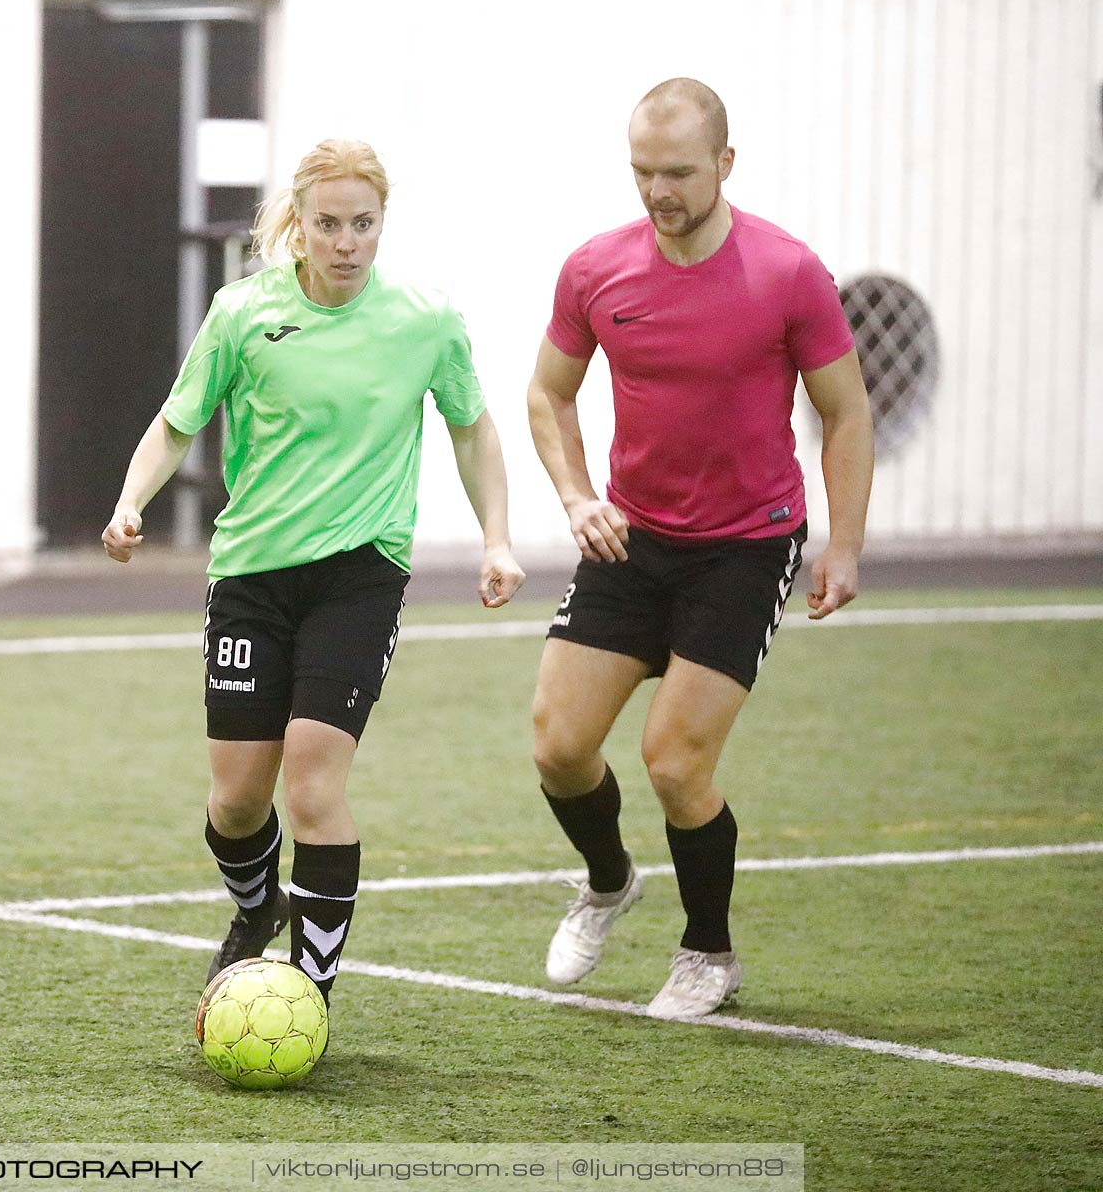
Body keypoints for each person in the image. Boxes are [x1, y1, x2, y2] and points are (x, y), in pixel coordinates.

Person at [102, 138, 526, 1009]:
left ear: (381, 224)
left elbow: (473, 427)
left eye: (362, 225)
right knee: (235, 802)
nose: (345, 243)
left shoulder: (426, 319)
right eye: (328, 224)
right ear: (299, 223)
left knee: (313, 778)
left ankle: (312, 992)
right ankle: (255, 911)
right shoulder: (242, 314)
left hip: (361, 572)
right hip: (253, 575)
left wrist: (497, 538)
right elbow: (177, 421)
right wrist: (130, 500)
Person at [523, 79, 874, 1019]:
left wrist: (844, 544)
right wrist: (575, 495)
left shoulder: (788, 273)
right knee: (558, 746)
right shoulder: (597, 269)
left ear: (725, 162)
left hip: (744, 550)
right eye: (642, 172)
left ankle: (708, 954)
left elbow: (845, 412)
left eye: (677, 171)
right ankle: (607, 883)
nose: (658, 191)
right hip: (633, 539)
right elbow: (547, 395)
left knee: (673, 762)